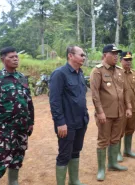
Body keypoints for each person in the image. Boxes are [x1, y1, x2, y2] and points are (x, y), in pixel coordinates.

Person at [0, 46, 34, 185]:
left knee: (17, 159)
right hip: (4, 129)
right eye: (11, 57)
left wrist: (30, 122)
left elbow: (28, 101)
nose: (15, 59)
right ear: (2, 59)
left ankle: (13, 182)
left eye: (16, 56)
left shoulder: (22, 78)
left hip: (22, 128)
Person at [90, 44, 132, 181]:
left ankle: (113, 163)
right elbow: (95, 94)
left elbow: (125, 91)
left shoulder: (119, 71)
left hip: (120, 112)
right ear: (104, 55)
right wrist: (100, 112)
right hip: (105, 114)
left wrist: (128, 107)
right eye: (113, 54)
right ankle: (101, 169)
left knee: (115, 139)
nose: (116, 56)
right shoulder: (97, 71)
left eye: (117, 54)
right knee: (103, 141)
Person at [49, 46, 89, 185]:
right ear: (71, 56)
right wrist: (60, 122)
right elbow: (55, 101)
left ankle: (74, 180)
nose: (84, 57)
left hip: (81, 121)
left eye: (84, 55)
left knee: (76, 151)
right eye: (81, 55)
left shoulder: (80, 73)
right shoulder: (59, 74)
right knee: (64, 154)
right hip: (67, 123)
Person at [117, 51, 135, 162]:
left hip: (133, 105)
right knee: (119, 130)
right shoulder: (117, 73)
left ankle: (127, 150)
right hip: (121, 106)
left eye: (130, 60)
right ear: (121, 60)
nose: (128, 62)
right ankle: (117, 153)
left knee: (130, 129)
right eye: (126, 60)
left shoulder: (134, 73)